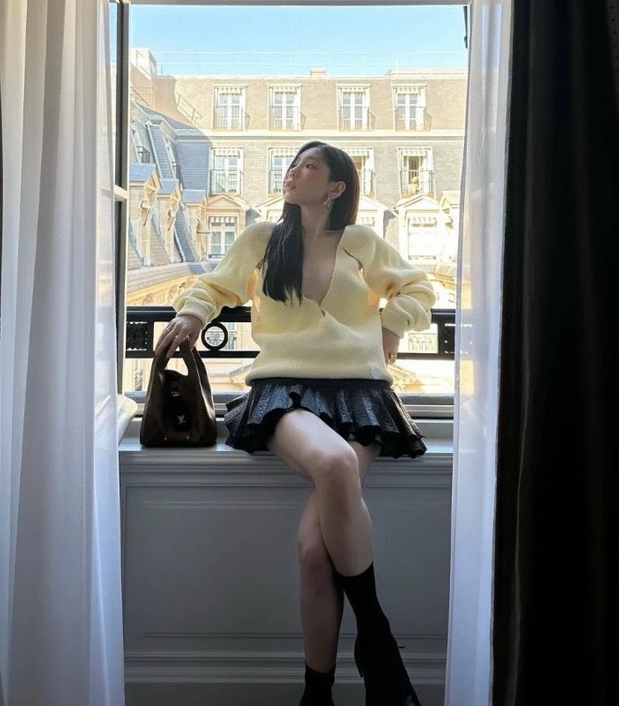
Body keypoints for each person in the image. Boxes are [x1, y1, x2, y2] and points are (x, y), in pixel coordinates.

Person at [155, 141, 436, 706]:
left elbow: (419, 288)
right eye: (292, 164)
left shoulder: (361, 242)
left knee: (314, 552)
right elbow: (215, 285)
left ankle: (317, 695)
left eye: (309, 166)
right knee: (333, 461)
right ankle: (377, 639)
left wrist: (393, 325)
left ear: (335, 188)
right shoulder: (263, 238)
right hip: (285, 390)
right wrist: (191, 313)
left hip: (361, 394)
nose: (293, 172)